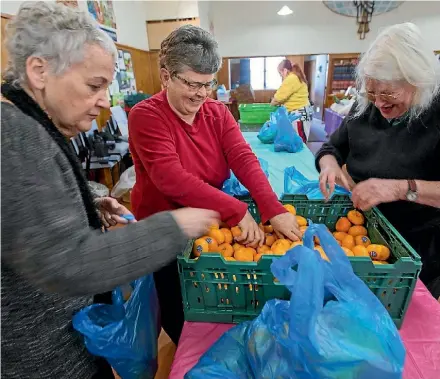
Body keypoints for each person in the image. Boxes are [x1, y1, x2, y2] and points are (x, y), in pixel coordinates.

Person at [1, 3, 219, 379]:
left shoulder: (31, 123)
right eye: (93, 85)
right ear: (39, 71)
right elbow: (70, 264)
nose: (105, 101)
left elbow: (36, 197)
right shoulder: (15, 138)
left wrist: (86, 199)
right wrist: (175, 227)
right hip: (40, 356)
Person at [128, 25, 301, 345]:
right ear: (166, 77)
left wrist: (272, 208)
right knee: (178, 310)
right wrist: (236, 210)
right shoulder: (146, 116)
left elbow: (243, 158)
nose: (200, 94)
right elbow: (170, 178)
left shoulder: (217, 113)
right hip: (164, 227)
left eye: (208, 84)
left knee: (216, 299)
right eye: (192, 84)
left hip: (209, 222)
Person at [315, 22, 440, 299]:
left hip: (421, 250)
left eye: (389, 95)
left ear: (417, 82)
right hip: (362, 238)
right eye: (373, 94)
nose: (380, 104)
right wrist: (330, 166)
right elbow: (330, 148)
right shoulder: (366, 109)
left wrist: (400, 188)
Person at [271, 59, 313, 142]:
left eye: (280, 73)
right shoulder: (296, 77)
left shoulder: (291, 79)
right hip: (303, 112)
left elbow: (277, 98)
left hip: (299, 115)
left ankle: (301, 155)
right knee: (299, 139)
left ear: (285, 70)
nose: (281, 76)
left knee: (299, 141)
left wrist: (273, 102)